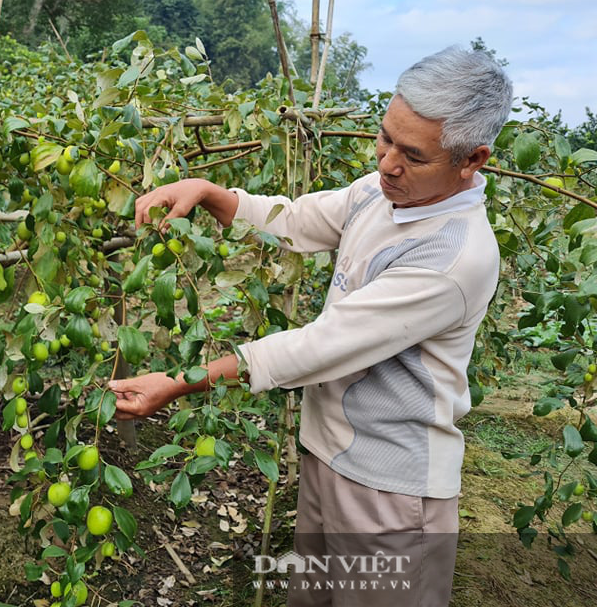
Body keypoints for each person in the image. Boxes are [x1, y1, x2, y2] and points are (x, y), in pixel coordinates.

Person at [108, 45, 513, 607]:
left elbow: (319, 348)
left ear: (473, 159)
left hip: (390, 487)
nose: (388, 163)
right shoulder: (381, 193)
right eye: (385, 138)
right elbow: (296, 220)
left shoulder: (453, 258)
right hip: (329, 452)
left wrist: (181, 382)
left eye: (413, 155)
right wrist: (207, 192)